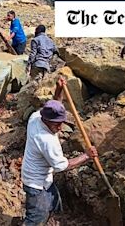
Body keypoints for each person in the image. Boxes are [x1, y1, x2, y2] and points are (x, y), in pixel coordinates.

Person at [21, 78, 98, 225]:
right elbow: (61, 166)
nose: (61, 128)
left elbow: (54, 105)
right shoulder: (46, 140)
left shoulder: (36, 117)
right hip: (36, 184)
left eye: (61, 123)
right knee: (36, 218)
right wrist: (86, 156)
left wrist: (59, 90)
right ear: (48, 121)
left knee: (54, 205)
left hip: (43, 178)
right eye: (57, 124)